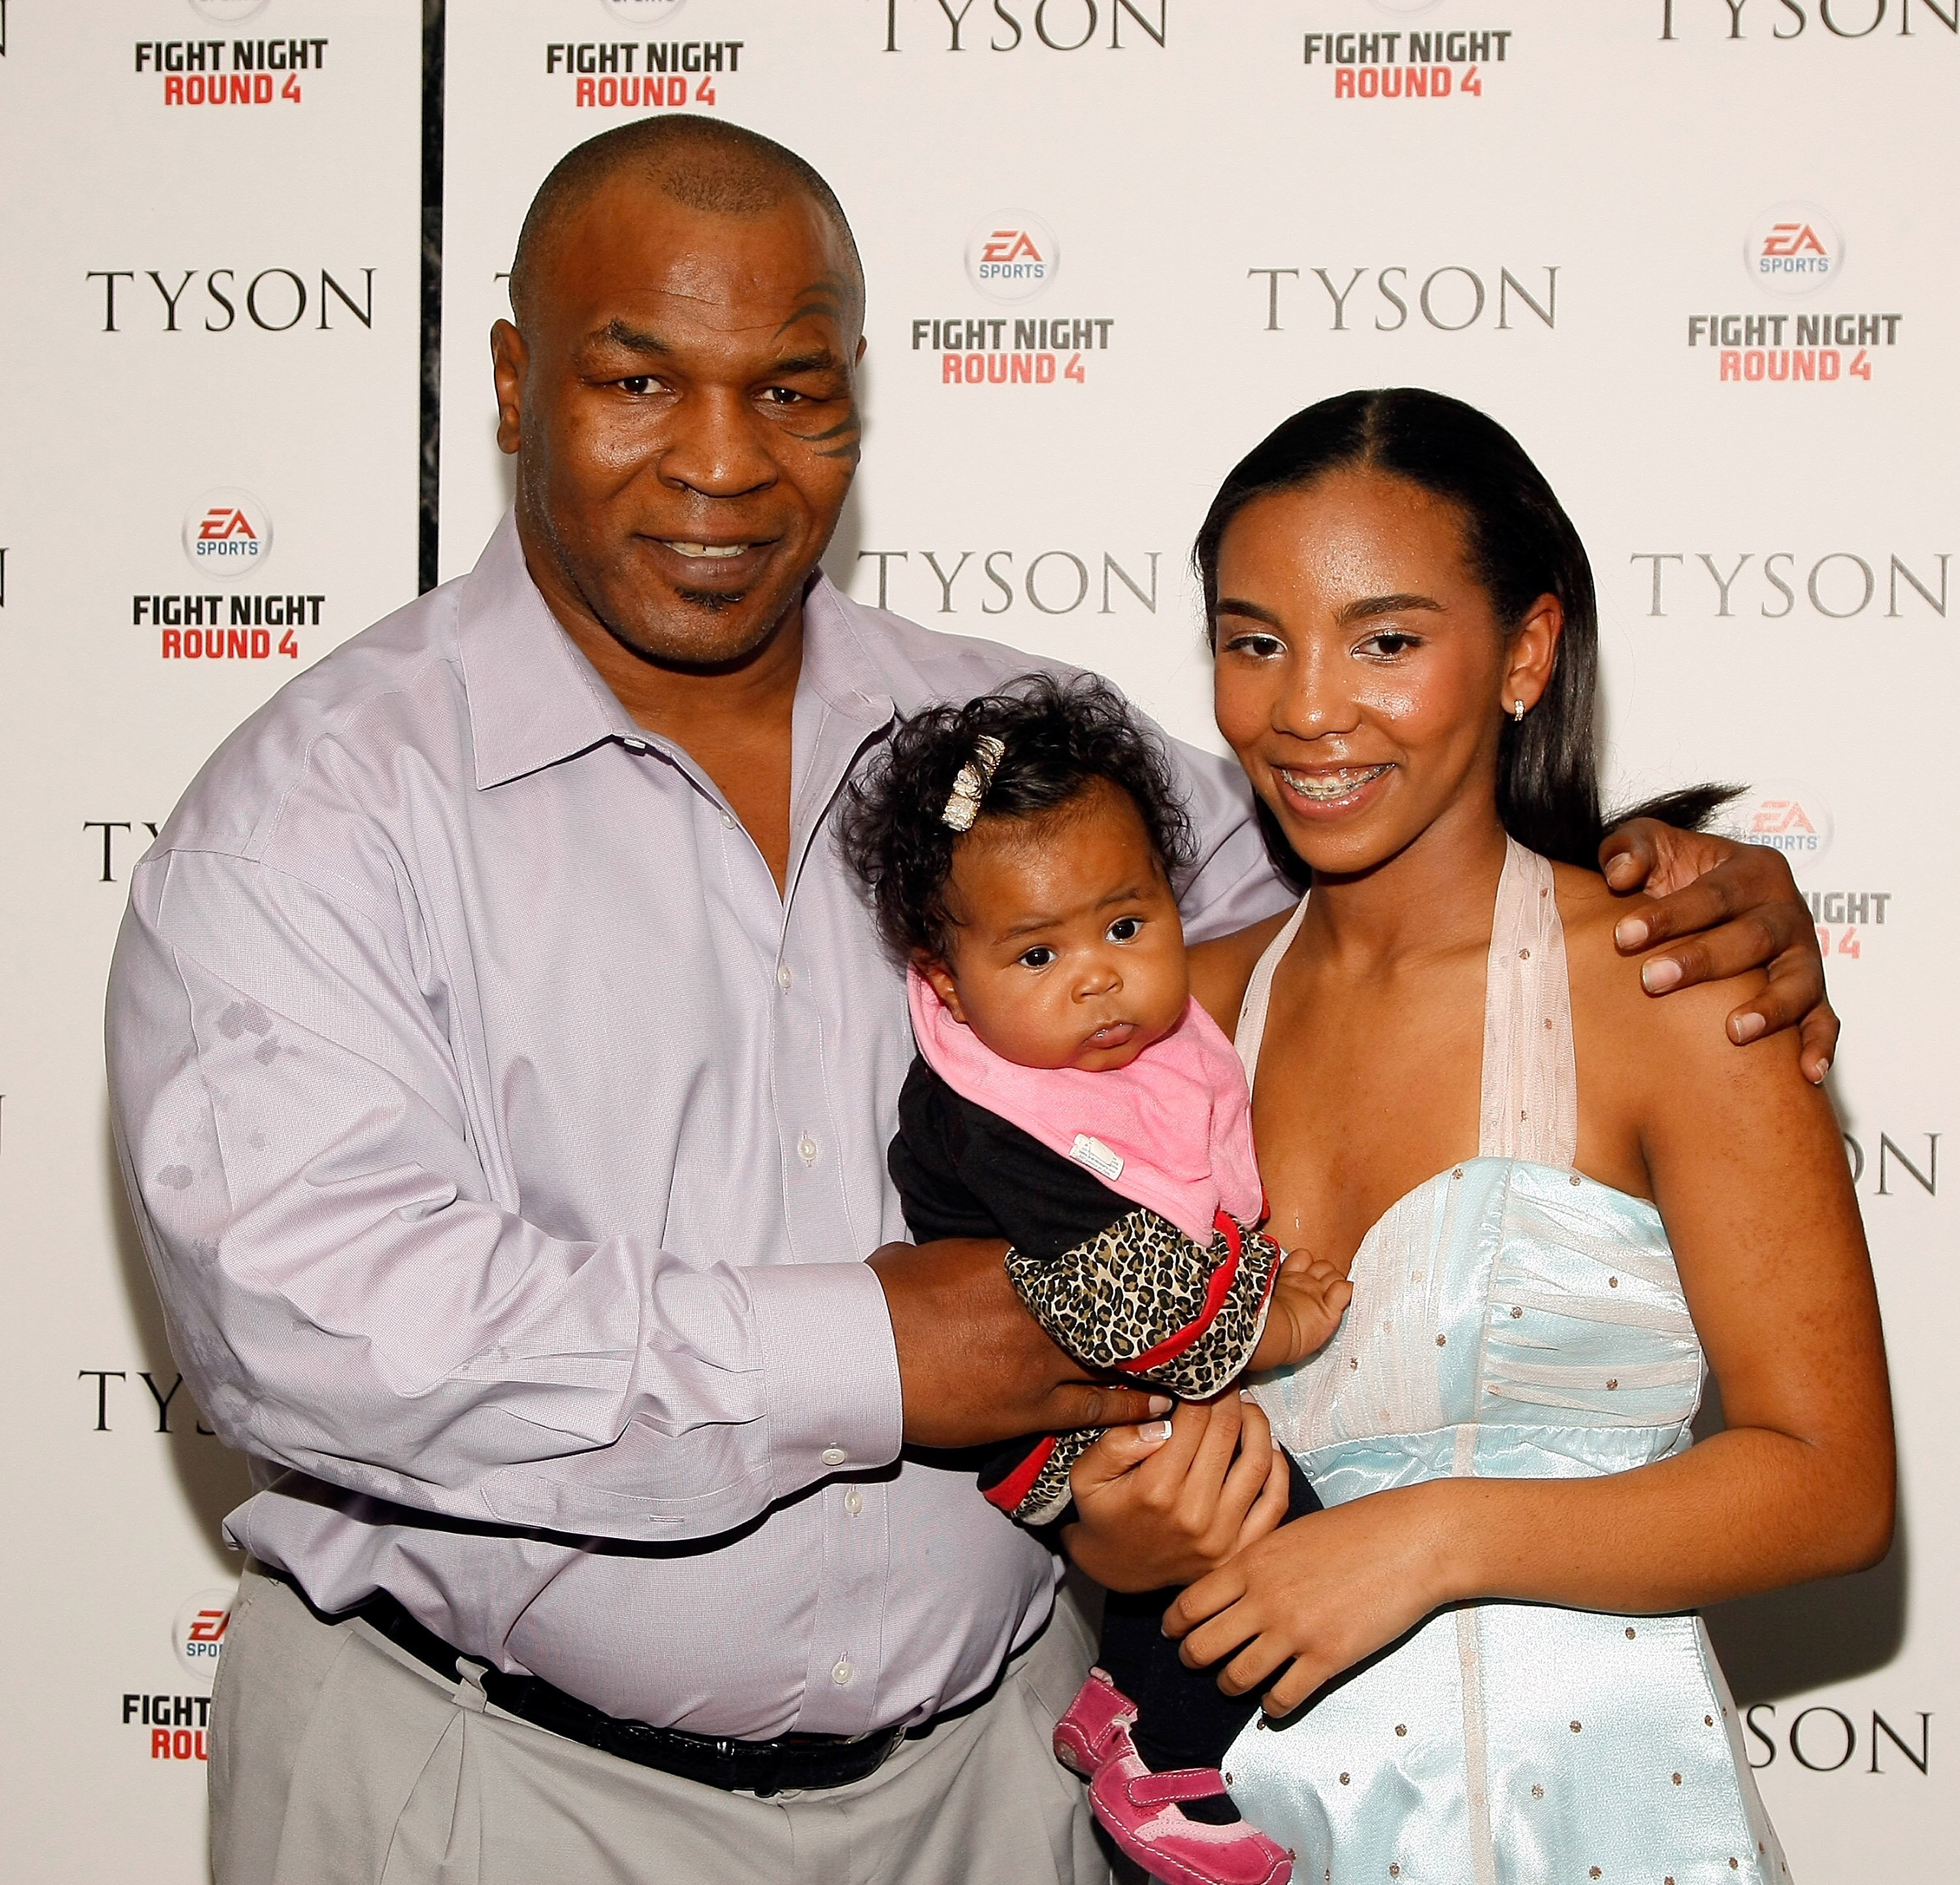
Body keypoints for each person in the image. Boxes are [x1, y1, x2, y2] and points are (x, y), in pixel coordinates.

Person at [103, 111, 1834, 1885]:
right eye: (640, 381)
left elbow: (1368, 880)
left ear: (859, 394)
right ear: (513, 378)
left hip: (998, 1792)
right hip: (489, 1787)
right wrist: (883, 1346)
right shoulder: (317, 808)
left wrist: (1655, 885)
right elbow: (318, 1324)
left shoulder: (1015, 747)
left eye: (791, 390)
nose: (722, 460)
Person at [1064, 389, 1893, 1885]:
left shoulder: (1674, 986)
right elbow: (1099, 1467)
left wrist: (1427, 1539)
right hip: (1260, 1831)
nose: (1308, 706)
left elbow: (1830, 1484)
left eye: (1385, 639)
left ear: (1525, 652)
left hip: (1595, 1826)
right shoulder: (1172, 1024)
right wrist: (1116, 1536)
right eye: (1255, 641)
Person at [838, 672, 1347, 1885]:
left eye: (1128, 926)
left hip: (1124, 1383)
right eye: (1039, 952)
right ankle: (1163, 1763)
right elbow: (1121, 1292)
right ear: (947, 983)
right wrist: (1270, 1321)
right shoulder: (992, 1114)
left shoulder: (1131, 1051)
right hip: (1045, 1416)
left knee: (1222, 1500)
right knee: (1273, 1521)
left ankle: (1119, 1697)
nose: (1100, 977)